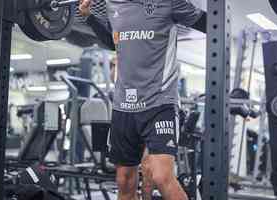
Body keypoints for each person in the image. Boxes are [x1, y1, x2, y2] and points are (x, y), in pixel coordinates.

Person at [79, 1, 206, 199]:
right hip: (123, 106)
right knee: (124, 180)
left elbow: (211, 24)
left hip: (159, 101)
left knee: (161, 176)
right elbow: (115, 41)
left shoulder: (170, 3)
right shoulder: (114, 5)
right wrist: (88, 17)